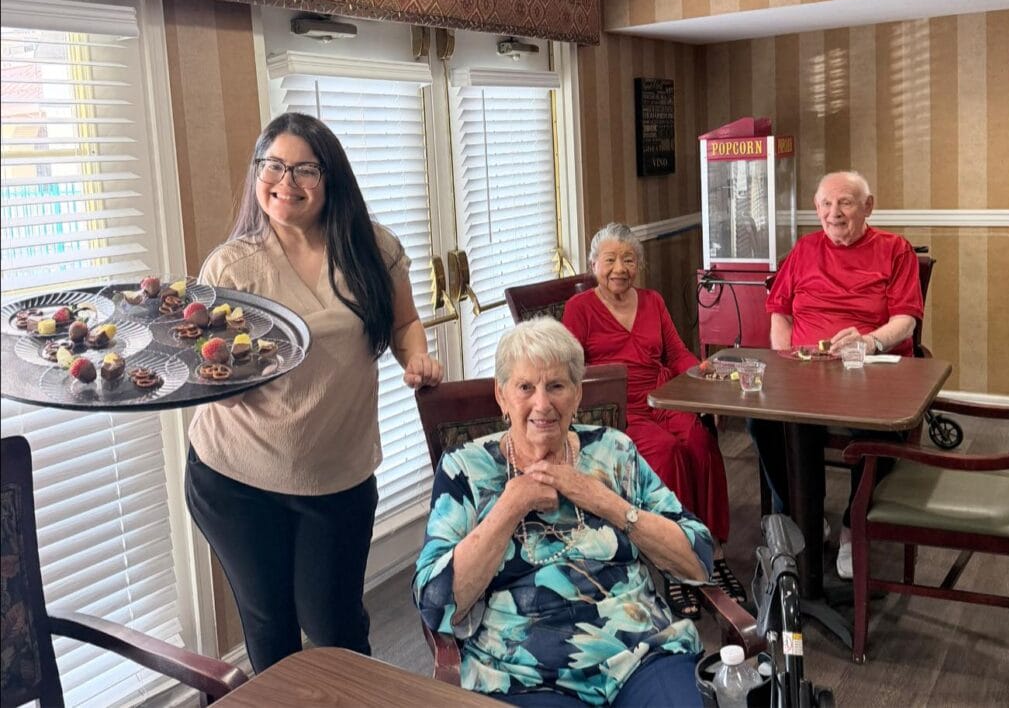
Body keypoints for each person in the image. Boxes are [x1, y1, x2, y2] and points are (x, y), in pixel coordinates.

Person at [185, 112, 443, 672]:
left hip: (337, 473)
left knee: (337, 629)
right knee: (271, 628)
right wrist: (220, 387)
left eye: (305, 169)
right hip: (236, 477)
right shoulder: (233, 265)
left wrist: (417, 355)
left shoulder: (373, 248)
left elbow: (403, 324)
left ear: (333, 178)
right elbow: (212, 368)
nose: (286, 182)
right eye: (273, 166)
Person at [414, 317, 712, 707]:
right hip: (523, 673)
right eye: (525, 387)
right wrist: (511, 504)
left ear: (576, 394)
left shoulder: (614, 450)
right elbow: (435, 603)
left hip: (642, 653)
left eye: (556, 385)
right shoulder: (465, 469)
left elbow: (698, 559)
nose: (542, 404)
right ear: (502, 396)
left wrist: (607, 502)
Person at [560, 222, 740, 618]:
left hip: (663, 393)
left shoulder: (653, 301)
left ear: (638, 265)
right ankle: (676, 562)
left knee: (698, 439)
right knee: (666, 451)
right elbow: (569, 370)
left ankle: (714, 550)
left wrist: (702, 377)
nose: (619, 268)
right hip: (616, 405)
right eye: (610, 259)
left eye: (628, 259)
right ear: (594, 265)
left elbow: (677, 355)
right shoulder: (580, 309)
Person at [751, 169, 923, 579]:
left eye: (845, 202)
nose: (834, 212)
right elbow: (780, 311)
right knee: (763, 422)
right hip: (806, 370)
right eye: (826, 204)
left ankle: (851, 526)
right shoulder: (805, 248)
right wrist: (786, 357)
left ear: (868, 206)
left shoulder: (895, 250)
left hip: (873, 367)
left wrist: (869, 341)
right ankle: (803, 516)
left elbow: (907, 319)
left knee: (882, 430)